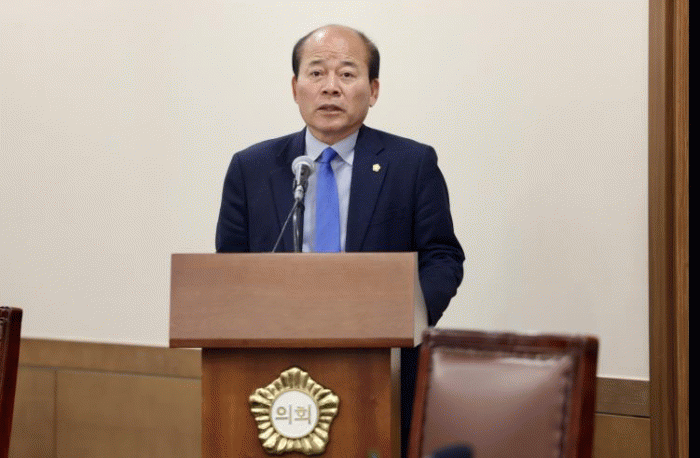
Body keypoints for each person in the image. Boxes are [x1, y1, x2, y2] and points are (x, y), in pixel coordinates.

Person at [215, 24, 464, 457]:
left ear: (373, 89)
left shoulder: (411, 164)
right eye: (316, 73)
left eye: (347, 74)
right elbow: (230, 267)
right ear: (295, 88)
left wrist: (405, 319)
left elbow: (441, 257)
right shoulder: (252, 168)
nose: (330, 87)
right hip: (273, 372)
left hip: (383, 369)